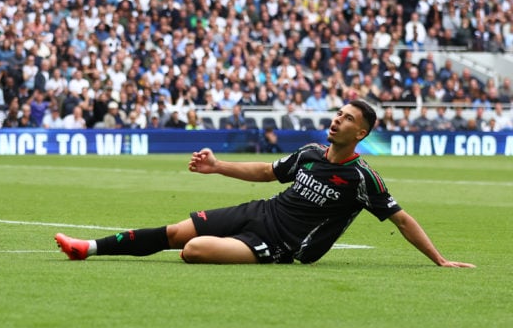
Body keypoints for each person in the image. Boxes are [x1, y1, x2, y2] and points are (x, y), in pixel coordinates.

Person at [55, 101, 475, 268]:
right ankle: (86, 248)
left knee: (192, 251)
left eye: (347, 119)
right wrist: (218, 167)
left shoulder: (363, 178)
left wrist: (439, 260)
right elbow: (265, 172)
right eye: (338, 113)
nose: (336, 120)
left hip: (280, 244)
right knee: (173, 232)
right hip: (258, 211)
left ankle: (92, 248)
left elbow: (401, 220)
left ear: (361, 134)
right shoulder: (310, 153)